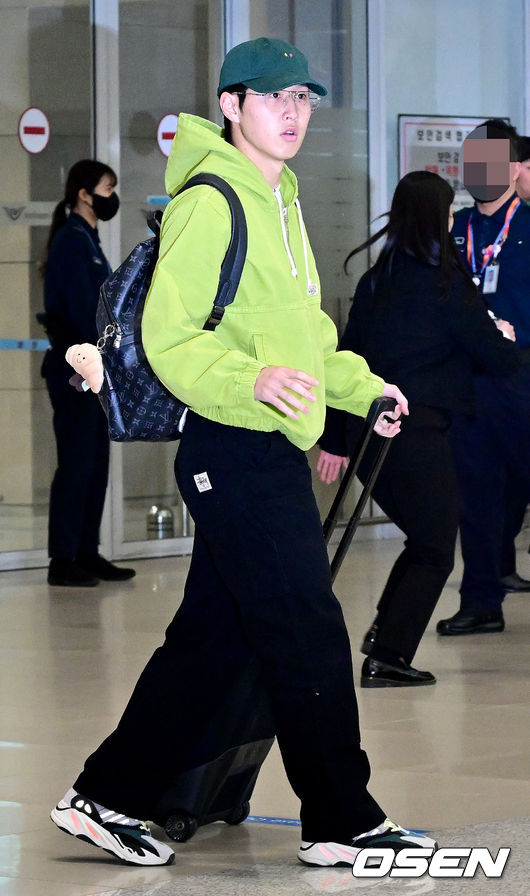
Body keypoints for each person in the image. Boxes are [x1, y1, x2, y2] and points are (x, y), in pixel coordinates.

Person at [49, 37, 438, 869]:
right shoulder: (214, 201)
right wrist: (252, 382)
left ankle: (105, 796)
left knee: (216, 640)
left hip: (267, 443)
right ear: (231, 106)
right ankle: (341, 818)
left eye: (303, 98)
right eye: (272, 98)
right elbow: (169, 339)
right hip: (232, 445)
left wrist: (364, 389)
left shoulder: (281, 199)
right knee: (306, 630)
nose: (292, 113)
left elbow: (306, 338)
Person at [317, 171, 519, 687]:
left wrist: (335, 442)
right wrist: (504, 335)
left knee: (423, 537)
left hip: (371, 436)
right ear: (436, 217)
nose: (453, 222)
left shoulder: (377, 279)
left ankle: (385, 629)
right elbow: (495, 357)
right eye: (449, 212)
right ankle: (387, 655)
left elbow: (347, 357)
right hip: (416, 432)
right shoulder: (446, 282)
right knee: (434, 545)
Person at [437, 120, 530, 635]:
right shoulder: (454, 230)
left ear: (516, 169)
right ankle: (480, 601)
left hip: (522, 374)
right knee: (475, 495)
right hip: (468, 382)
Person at [40, 160, 135, 587]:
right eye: (107, 187)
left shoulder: (88, 239)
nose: (111, 195)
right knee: (76, 463)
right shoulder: (71, 241)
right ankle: (62, 558)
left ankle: (86, 551)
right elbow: (83, 311)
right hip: (75, 370)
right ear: (84, 193)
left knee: (95, 462)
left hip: (94, 371)